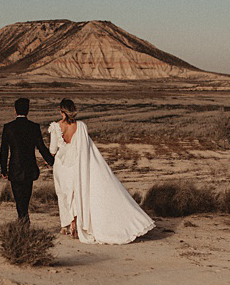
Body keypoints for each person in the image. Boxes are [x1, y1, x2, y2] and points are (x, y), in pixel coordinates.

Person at [48, 98, 156, 245]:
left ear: (61, 112)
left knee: (65, 194)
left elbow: (53, 150)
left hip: (62, 166)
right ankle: (76, 224)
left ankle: (67, 225)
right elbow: (86, 148)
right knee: (77, 193)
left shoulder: (56, 127)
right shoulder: (81, 126)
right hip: (78, 165)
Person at [0, 97, 54, 222]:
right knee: (26, 196)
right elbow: (41, 147)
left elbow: (4, 150)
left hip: (15, 168)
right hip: (29, 168)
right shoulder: (34, 127)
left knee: (18, 198)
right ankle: (24, 219)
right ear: (28, 111)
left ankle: (23, 219)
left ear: (15, 110)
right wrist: (51, 161)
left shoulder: (8, 127)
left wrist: (3, 169)